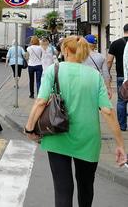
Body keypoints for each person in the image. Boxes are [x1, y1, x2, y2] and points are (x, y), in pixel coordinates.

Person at [25, 36, 127, 207]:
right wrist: (120, 144)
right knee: (86, 187)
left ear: (65, 50)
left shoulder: (53, 70)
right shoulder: (95, 76)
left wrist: (29, 129)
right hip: (88, 140)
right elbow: (108, 111)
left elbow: (41, 101)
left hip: (57, 135)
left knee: (63, 190)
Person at [108, 24, 128, 131]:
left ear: (123, 30)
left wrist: (108, 74)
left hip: (121, 76)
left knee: (121, 101)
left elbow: (109, 60)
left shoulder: (115, 43)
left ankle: (122, 125)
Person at [83, 34, 111, 99]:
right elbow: (106, 74)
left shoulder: (80, 56)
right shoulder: (101, 57)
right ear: (95, 45)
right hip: (97, 84)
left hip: (83, 84)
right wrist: (108, 88)